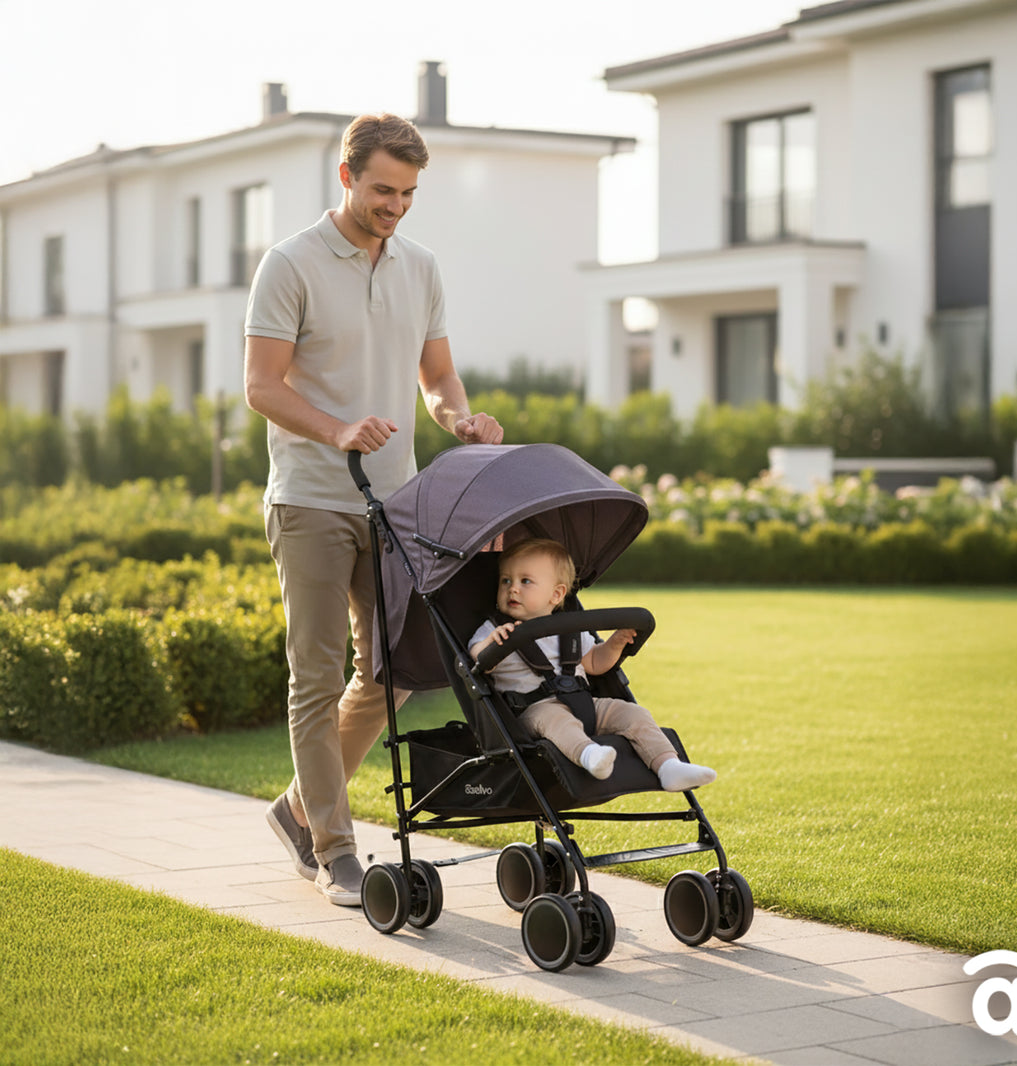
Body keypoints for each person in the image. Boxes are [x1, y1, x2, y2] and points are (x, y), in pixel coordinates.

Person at [244, 112, 503, 907]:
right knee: (315, 678)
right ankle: (333, 847)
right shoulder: (289, 264)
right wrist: (338, 430)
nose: (396, 205)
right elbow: (262, 386)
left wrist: (456, 416)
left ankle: (294, 810)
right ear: (348, 176)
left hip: (395, 503)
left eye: (409, 193)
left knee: (392, 673)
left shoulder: (419, 266)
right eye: (384, 189)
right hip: (312, 501)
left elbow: (436, 376)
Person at [468, 539, 716, 792]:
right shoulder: (495, 629)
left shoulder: (569, 630)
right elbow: (476, 661)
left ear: (556, 594)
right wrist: (490, 644)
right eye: (505, 581)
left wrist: (615, 644)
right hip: (534, 711)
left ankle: (668, 766)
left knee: (633, 713)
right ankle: (589, 755)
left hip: (585, 703)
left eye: (525, 581)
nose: (513, 589)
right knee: (557, 721)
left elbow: (595, 664)